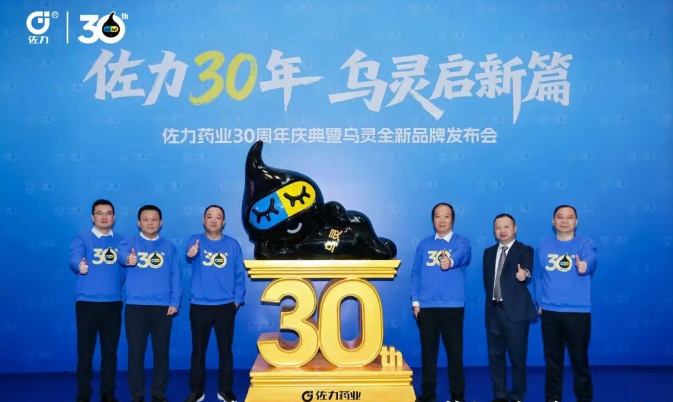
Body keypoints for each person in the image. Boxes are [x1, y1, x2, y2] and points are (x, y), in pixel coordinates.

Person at [118, 205, 183, 402]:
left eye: (154, 219)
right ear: (139, 223)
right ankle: (137, 394)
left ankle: (158, 393)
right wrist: (128, 258)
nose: (150, 223)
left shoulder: (169, 247)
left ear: (160, 223)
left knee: (161, 353)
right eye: (145, 219)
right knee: (135, 354)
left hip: (163, 307)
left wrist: (175, 301)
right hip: (135, 307)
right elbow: (121, 255)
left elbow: (176, 276)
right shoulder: (129, 242)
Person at [534, 205, 597, 402]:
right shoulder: (543, 243)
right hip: (550, 312)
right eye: (560, 217)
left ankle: (584, 398)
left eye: (570, 217)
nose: (564, 221)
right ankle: (553, 398)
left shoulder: (585, 243)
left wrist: (585, 265)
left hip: (577, 313)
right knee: (553, 361)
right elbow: (538, 276)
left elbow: (591, 257)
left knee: (579, 361)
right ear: (553, 221)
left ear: (576, 222)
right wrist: (539, 301)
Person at [410, 202, 472, 402]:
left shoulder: (461, 242)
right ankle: (428, 394)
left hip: (452, 307)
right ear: (433, 220)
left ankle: (457, 396)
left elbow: (463, 255)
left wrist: (450, 261)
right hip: (427, 308)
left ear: (452, 219)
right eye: (438, 216)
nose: (442, 220)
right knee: (428, 355)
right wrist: (415, 302)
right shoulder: (424, 244)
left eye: (446, 216)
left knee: (454, 354)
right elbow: (416, 273)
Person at [184, 205, 246, 402]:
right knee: (198, 351)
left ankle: (225, 391)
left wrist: (236, 301)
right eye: (209, 216)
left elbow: (239, 275)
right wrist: (192, 252)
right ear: (203, 220)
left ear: (223, 222)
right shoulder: (195, 240)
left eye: (218, 217)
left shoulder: (232, 244)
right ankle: (196, 391)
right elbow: (189, 253)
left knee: (225, 351)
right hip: (199, 305)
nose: (213, 220)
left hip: (225, 306)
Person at [69, 199, 124, 402]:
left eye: (108, 213)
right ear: (93, 217)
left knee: (110, 353)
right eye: (99, 213)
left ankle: (107, 394)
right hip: (87, 304)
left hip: (112, 304)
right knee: (85, 352)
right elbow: (75, 256)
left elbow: (128, 263)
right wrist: (79, 265)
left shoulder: (122, 241)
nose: (104, 217)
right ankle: (83, 395)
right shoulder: (82, 238)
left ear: (114, 217)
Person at [482, 214, 536, 402]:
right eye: (498, 228)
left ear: (515, 229)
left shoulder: (524, 250)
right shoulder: (488, 252)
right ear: (494, 231)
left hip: (516, 314)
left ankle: (517, 395)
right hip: (493, 312)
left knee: (517, 358)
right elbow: (488, 282)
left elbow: (527, 269)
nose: (502, 231)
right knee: (495, 357)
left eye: (506, 227)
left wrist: (524, 274)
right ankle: (500, 395)